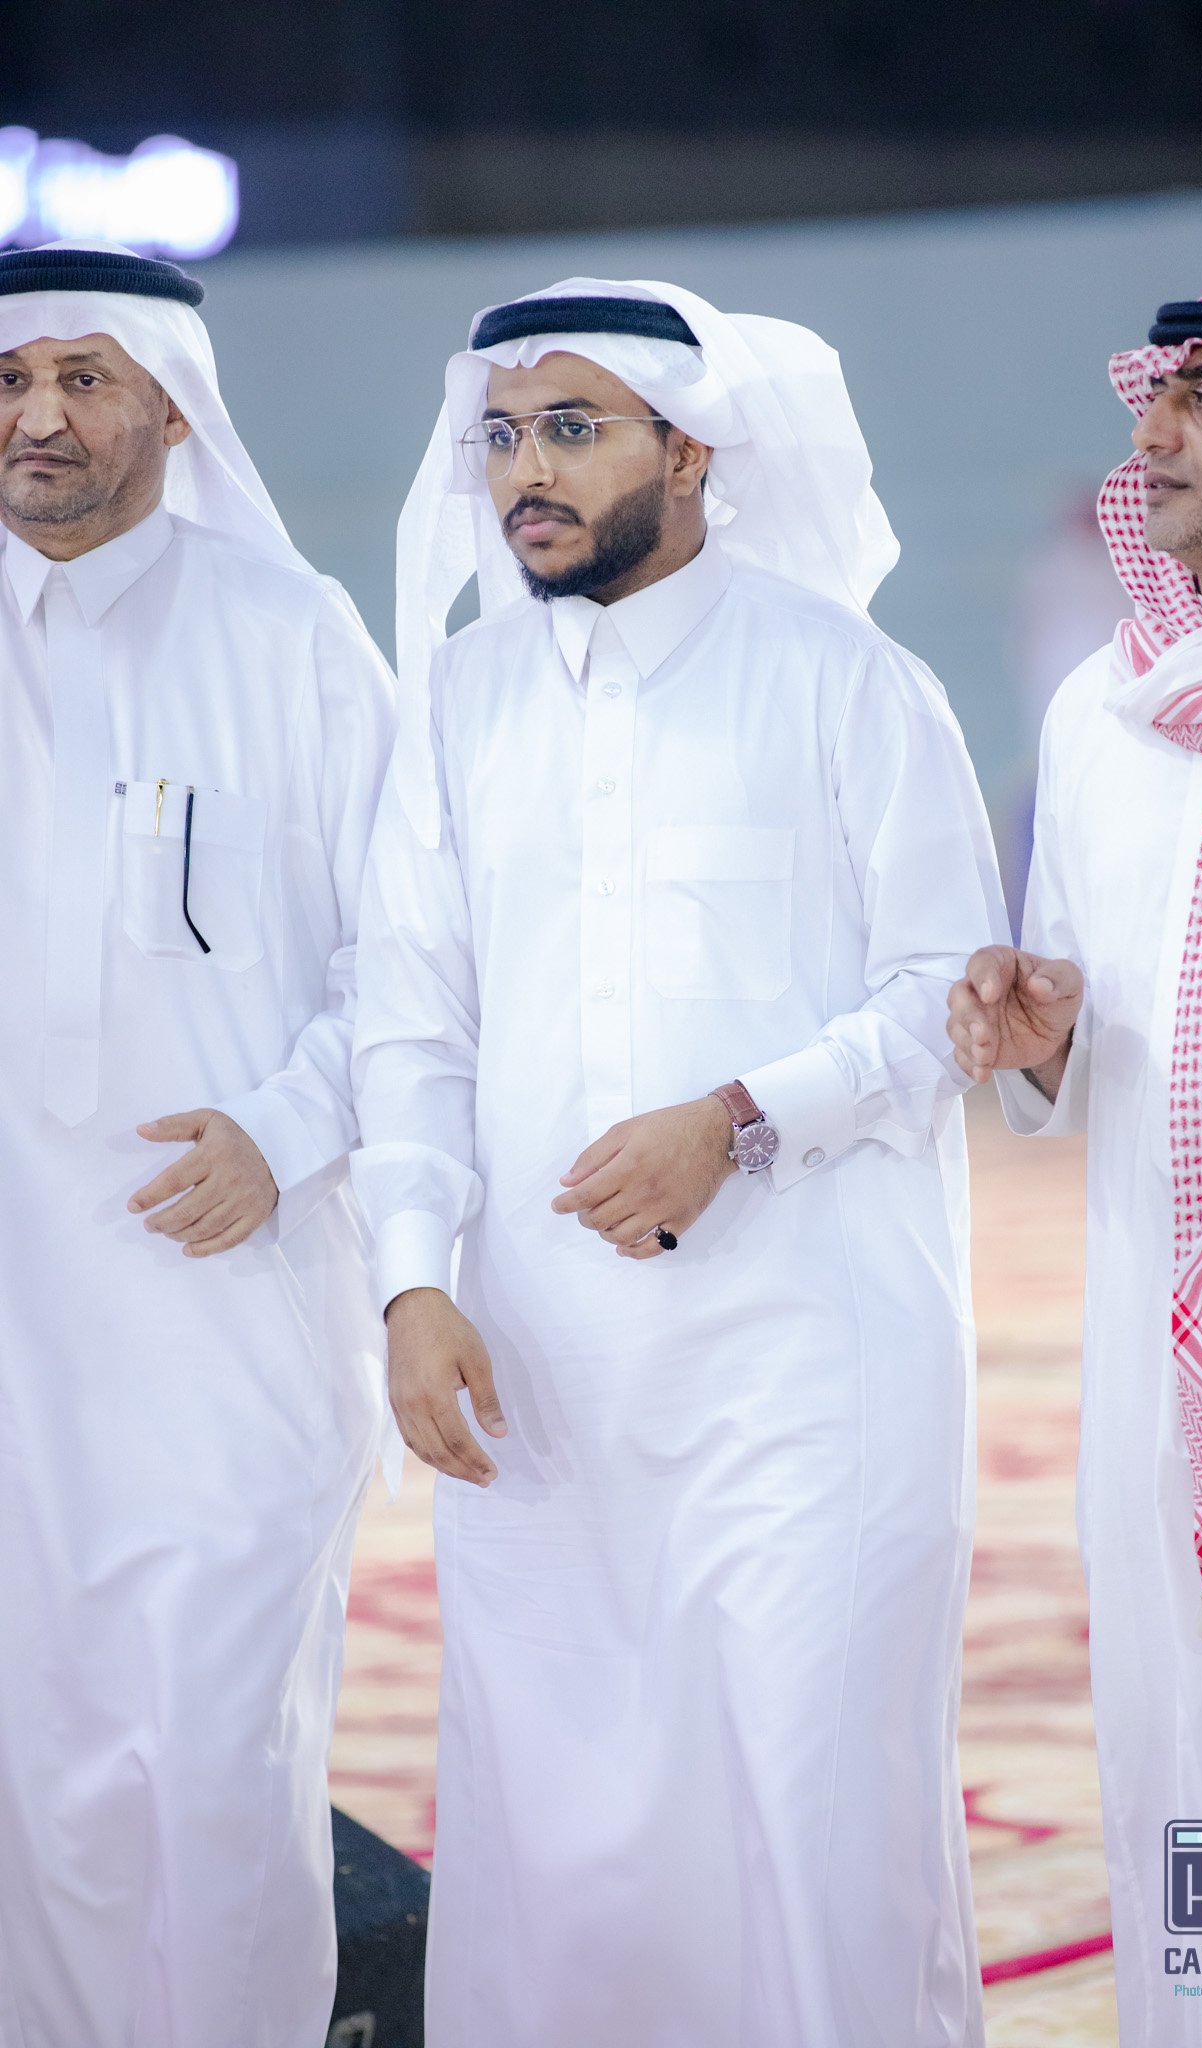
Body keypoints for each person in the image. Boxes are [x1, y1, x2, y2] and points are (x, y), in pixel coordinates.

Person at [351, 277, 1007, 2047]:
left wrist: (734, 1119)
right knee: (558, 1835)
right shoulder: (461, 702)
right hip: (539, 1379)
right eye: (501, 436)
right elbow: (409, 1023)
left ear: (692, 452)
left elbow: (947, 992)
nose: (524, 472)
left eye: (572, 430)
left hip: (806, 1370)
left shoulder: (844, 680)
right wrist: (409, 1284)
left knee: (810, 1810)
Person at [948, 273, 1202, 2044]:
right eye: (1152, 394)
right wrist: (1029, 1035)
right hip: (1170, 1363)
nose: (1153, 431)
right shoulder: (1104, 717)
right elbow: (1077, 1042)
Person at [0, 242, 395, 2047]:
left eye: (83, 378)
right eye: (12, 380)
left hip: (228, 1301)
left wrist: (284, 1129)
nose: (39, 415)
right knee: (40, 1771)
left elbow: (412, 957)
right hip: (18, 1319)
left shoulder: (287, 636)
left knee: (221, 1762)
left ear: (172, 407)